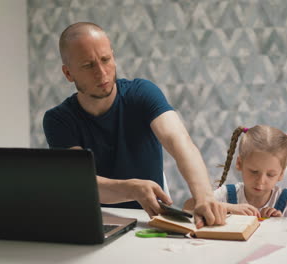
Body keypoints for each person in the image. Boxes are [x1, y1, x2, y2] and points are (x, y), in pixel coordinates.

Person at [42, 22, 226, 227]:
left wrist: (204, 196)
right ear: (68, 73)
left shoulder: (142, 93)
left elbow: (180, 142)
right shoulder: (58, 120)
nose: (102, 73)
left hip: (147, 222)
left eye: (106, 59)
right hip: (95, 222)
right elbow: (79, 181)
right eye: (88, 65)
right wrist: (131, 188)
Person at [184, 125, 287, 218]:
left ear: (281, 174)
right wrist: (228, 207)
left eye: (270, 175)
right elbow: (188, 207)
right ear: (239, 164)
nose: (260, 181)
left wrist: (280, 226)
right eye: (254, 171)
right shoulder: (226, 195)